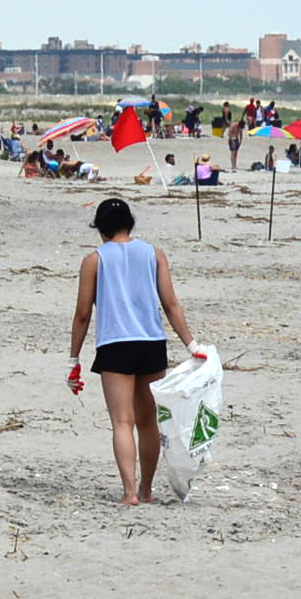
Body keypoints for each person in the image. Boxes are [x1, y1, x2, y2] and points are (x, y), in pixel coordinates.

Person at [67, 196, 200, 507]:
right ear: (131, 223)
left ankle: (129, 493)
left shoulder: (94, 261)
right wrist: (191, 345)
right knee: (147, 422)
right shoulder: (154, 254)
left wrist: (73, 359)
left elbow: (82, 314)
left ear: (100, 229)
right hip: (152, 343)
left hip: (115, 345)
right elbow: (171, 304)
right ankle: (147, 489)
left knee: (122, 422)